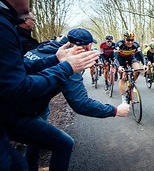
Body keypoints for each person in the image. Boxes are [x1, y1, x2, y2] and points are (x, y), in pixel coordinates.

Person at [0, 0, 99, 170]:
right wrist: (67, 67)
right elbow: (17, 87)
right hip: (17, 111)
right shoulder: (4, 24)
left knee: (39, 138)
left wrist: (56, 59)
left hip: (19, 110)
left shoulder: (44, 44)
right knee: (61, 142)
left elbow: (17, 68)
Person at [23, 28, 130, 170]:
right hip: (18, 109)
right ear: (84, 47)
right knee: (64, 143)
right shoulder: (70, 61)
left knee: (41, 121)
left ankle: (31, 166)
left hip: (28, 100)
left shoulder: (46, 46)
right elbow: (80, 103)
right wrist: (115, 110)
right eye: (90, 46)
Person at [114, 30, 147, 103]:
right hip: (121, 59)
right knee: (123, 78)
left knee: (138, 70)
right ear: (124, 39)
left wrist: (144, 64)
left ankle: (132, 84)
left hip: (130, 57)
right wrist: (119, 67)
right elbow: (115, 58)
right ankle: (123, 99)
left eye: (132, 40)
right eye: (128, 40)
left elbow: (141, 56)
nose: (130, 42)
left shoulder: (136, 45)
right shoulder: (119, 44)